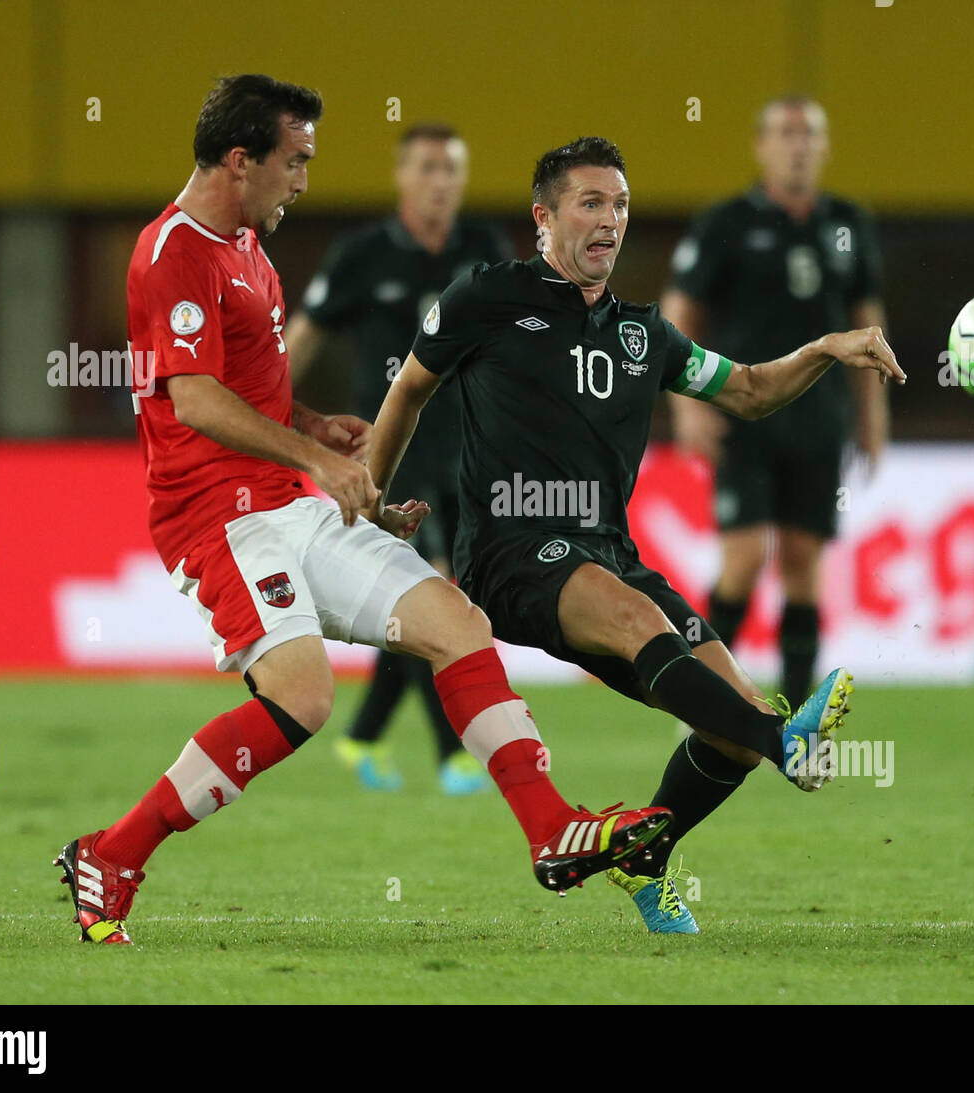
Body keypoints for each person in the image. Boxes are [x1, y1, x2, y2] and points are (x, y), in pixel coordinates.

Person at [52, 78, 672, 946]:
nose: (303, 180)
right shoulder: (173, 253)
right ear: (243, 160)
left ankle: (550, 828)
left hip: (285, 504)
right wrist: (313, 458)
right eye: (295, 160)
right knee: (302, 701)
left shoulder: (250, 254)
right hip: (215, 518)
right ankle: (113, 855)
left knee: (459, 623)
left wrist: (317, 428)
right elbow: (191, 400)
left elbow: (244, 389)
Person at [366, 136, 904, 934]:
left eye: (619, 205)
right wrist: (374, 494)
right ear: (544, 218)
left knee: (733, 731)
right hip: (512, 553)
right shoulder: (485, 297)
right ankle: (786, 742)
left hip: (607, 554)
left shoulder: (642, 337)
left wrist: (826, 350)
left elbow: (750, 391)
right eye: (590, 203)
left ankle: (650, 859)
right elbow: (409, 388)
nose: (609, 220)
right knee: (644, 628)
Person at [283, 123, 513, 796]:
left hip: (467, 452)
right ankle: (455, 753)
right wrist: (278, 418)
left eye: (452, 169)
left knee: (422, 602)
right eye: (429, 168)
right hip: (390, 451)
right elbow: (303, 336)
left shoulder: (482, 250)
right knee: (434, 590)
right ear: (403, 177)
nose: (441, 181)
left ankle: (362, 737)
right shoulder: (364, 254)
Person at [662, 97, 890, 704]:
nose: (797, 145)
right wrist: (687, 405)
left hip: (819, 420)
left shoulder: (847, 223)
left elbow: (866, 318)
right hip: (744, 411)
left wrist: (873, 414)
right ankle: (706, 699)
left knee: (802, 562)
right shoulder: (727, 222)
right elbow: (679, 310)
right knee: (742, 558)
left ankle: (793, 716)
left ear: (825, 147)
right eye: (785, 134)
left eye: (808, 134)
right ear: (761, 147)